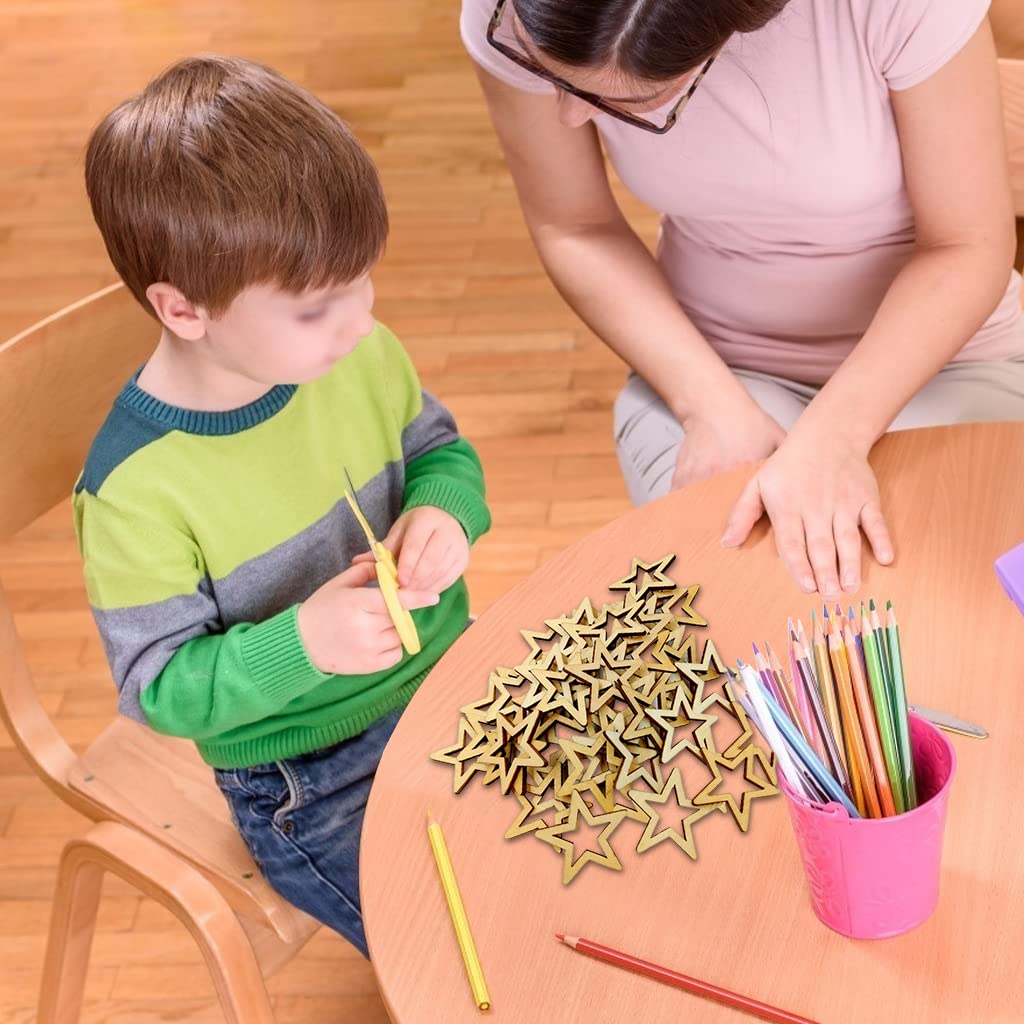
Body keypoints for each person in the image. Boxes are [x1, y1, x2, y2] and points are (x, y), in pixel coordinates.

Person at [74, 55, 491, 958]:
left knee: (591, 864)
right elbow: (158, 690)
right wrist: (300, 645)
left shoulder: (356, 353)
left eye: (362, 283)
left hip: (455, 681)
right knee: (461, 954)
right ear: (183, 310)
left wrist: (445, 512)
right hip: (310, 777)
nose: (359, 322)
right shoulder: (135, 491)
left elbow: (438, 451)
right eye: (317, 307)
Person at [461, 0, 1024, 601]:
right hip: (715, 370)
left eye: (620, 103)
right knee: (747, 603)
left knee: (926, 590)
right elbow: (574, 226)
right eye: (549, 76)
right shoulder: (517, 15)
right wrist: (710, 407)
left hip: (948, 361)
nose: (569, 114)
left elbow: (966, 244)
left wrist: (834, 438)